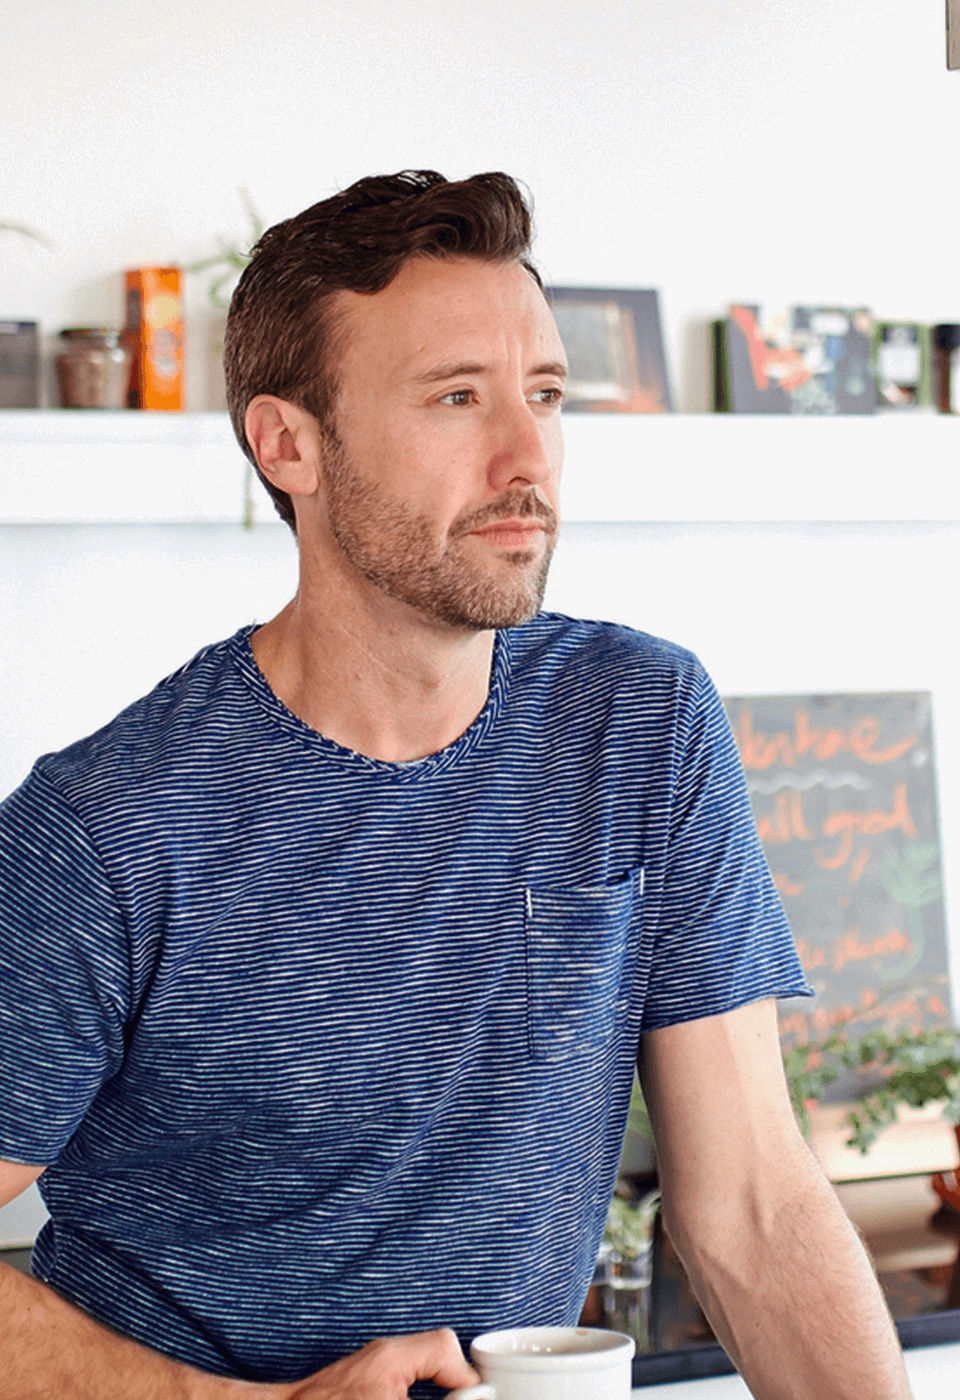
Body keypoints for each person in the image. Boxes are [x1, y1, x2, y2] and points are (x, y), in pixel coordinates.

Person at [0, 170, 910, 1400]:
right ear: (288, 443)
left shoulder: (639, 723)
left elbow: (751, 1202)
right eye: (457, 397)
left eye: (546, 393)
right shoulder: (106, 826)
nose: (528, 456)